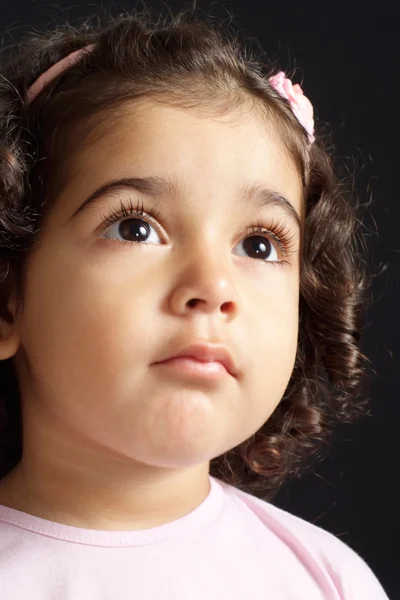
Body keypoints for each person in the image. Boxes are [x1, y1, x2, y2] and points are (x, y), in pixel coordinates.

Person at [0, 6, 390, 599]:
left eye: (258, 244)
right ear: (9, 300)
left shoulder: (327, 581)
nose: (213, 285)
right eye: (135, 229)